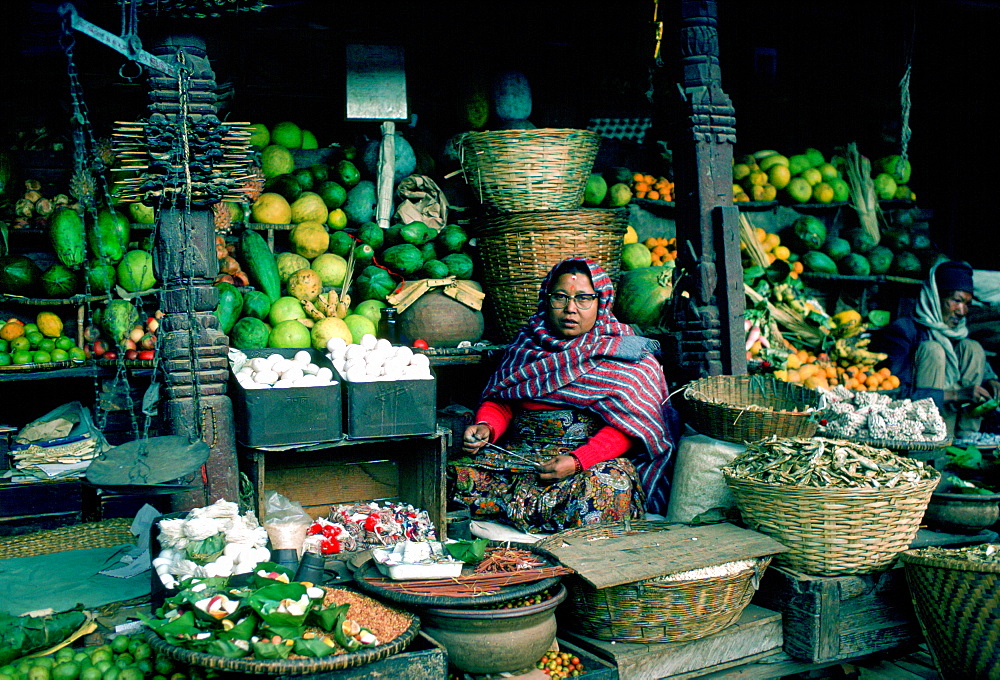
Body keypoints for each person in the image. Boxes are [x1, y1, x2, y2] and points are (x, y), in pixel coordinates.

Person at [450, 257, 677, 534]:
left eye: (584, 298)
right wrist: (487, 427)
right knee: (450, 476)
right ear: (546, 299)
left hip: (588, 463)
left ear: (601, 303)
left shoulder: (625, 355)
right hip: (519, 459)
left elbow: (632, 426)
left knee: (604, 489)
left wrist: (578, 460)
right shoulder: (526, 346)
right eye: (560, 297)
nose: (570, 308)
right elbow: (502, 399)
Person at [873, 260, 1000, 437]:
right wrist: (955, 395)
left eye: (967, 304)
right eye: (956, 301)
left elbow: (982, 371)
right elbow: (893, 394)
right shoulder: (904, 331)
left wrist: (992, 382)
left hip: (955, 423)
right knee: (932, 350)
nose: (962, 311)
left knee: (973, 348)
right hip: (916, 425)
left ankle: (967, 436)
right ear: (935, 297)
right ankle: (932, 440)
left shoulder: (958, 333)